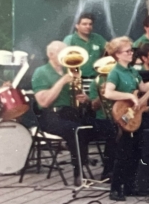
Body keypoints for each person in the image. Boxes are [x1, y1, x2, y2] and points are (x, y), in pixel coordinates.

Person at [102, 36, 149, 201]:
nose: (131, 53)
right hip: (123, 113)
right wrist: (128, 95)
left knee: (136, 150)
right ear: (118, 55)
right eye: (127, 51)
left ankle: (129, 186)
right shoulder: (115, 72)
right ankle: (115, 188)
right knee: (123, 152)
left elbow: (143, 87)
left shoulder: (132, 71)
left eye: (131, 50)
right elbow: (108, 92)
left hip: (135, 115)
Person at [32, 40, 111, 183]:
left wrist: (85, 99)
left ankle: (109, 171)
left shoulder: (69, 71)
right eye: (62, 53)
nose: (66, 57)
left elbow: (78, 98)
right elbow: (44, 102)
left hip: (71, 113)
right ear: (50, 54)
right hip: (51, 115)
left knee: (107, 126)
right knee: (76, 130)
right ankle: (78, 173)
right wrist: (62, 81)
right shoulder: (41, 72)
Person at [63, 13, 107, 78]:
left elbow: (110, 50)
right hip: (76, 79)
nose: (88, 26)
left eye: (90, 24)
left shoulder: (98, 38)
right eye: (84, 24)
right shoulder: (69, 39)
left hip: (96, 79)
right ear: (77, 26)